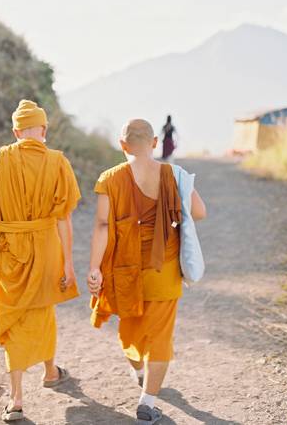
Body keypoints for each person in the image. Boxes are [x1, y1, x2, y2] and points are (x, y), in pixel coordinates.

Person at [87, 119, 206, 424]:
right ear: (154, 143)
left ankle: (138, 370)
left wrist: (94, 268)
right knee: (161, 337)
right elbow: (200, 212)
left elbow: (102, 225)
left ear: (122, 144)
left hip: (123, 272)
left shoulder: (110, 178)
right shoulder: (174, 174)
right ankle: (147, 401)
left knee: (130, 330)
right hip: (163, 272)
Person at [0, 99, 81, 422]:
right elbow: (64, 219)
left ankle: (17, 399)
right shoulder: (58, 162)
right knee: (42, 308)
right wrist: (68, 264)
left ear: (16, 131)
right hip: (48, 247)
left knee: (13, 315)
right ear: (44, 130)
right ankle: (50, 371)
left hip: (10, 250)